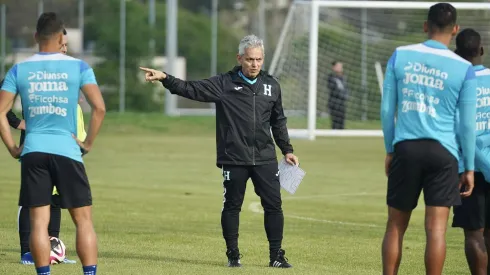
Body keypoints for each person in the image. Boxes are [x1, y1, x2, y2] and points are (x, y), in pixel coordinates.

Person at [140, 34, 298, 268]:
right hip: (234, 157)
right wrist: (165, 78)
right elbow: (190, 89)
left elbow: (278, 121)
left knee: (274, 206)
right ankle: (233, 255)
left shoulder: (271, 85)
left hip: (265, 158)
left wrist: (287, 149)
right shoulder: (224, 84)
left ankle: (276, 256)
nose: (254, 64)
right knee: (232, 206)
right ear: (239, 58)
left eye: (259, 59)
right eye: (250, 59)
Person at [0, 12, 105, 275]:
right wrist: (87, 143)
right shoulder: (79, 67)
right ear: (61, 38)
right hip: (67, 150)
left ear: (35, 37)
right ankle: (90, 273)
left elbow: (1, 111)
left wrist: (13, 148)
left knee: (38, 222)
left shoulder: (19, 69)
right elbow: (99, 108)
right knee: (83, 221)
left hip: (33, 151)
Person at [380, 3, 477, 275]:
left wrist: (390, 149)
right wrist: (467, 167)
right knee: (436, 230)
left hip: (406, 148)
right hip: (443, 154)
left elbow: (388, 109)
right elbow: (467, 125)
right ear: (455, 29)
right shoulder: (463, 67)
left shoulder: (401, 55)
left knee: (395, 226)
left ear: (425, 26)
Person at [7, 28, 78, 265]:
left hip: (61, 143)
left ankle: (52, 248)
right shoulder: (28, 69)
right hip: (35, 143)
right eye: (62, 44)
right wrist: (18, 123)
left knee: (55, 197)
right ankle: (27, 251)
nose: (65, 49)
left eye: (66, 45)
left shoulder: (68, 70)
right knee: (33, 198)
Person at [452, 28, 490, 275]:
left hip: (469, 169)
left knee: (474, 233)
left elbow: (458, 129)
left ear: (457, 53)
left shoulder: (455, 84)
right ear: (482, 50)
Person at [327, 61, 348, 129]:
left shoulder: (343, 78)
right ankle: (334, 132)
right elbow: (332, 87)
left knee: (342, 119)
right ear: (334, 67)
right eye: (338, 66)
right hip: (334, 102)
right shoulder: (331, 77)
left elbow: (346, 89)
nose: (340, 68)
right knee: (335, 120)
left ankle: (341, 133)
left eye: (341, 66)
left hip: (342, 102)